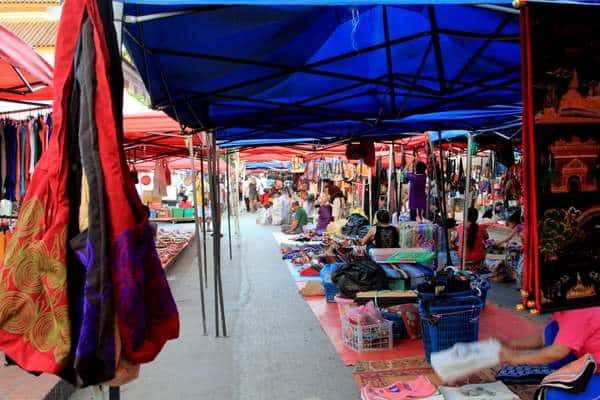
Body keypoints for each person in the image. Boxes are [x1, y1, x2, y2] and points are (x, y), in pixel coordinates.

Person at [499, 307, 600, 398]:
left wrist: (515, 358)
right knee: (553, 330)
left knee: (552, 396)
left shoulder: (578, 311)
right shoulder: (566, 308)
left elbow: (558, 351)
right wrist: (510, 344)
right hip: (589, 363)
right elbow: (543, 338)